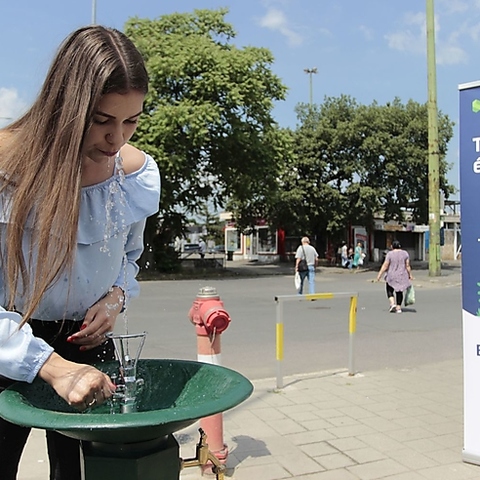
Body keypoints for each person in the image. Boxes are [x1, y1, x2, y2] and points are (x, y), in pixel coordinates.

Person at [0, 25, 161, 480]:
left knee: (86, 473)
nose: (116, 140)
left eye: (131, 121)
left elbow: (129, 258)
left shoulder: (134, 174)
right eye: (102, 120)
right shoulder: (5, 167)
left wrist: (115, 299)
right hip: (8, 347)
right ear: (63, 107)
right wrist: (47, 365)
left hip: (88, 349)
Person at [375, 240, 413, 313]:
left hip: (391, 275)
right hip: (402, 275)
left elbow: (385, 265)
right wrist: (410, 275)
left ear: (392, 246)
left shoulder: (390, 254)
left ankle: (392, 304)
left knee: (389, 289)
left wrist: (379, 274)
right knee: (399, 291)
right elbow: (407, 265)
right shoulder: (405, 253)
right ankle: (398, 307)